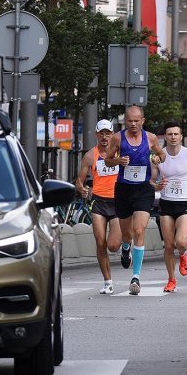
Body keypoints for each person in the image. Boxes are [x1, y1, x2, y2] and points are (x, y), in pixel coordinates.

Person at [103, 105, 167, 295]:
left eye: (136, 121)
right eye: (130, 121)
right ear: (126, 121)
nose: (133, 124)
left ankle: (136, 277)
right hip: (123, 189)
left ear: (142, 121)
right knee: (127, 233)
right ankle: (125, 247)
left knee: (139, 229)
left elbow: (162, 155)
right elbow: (107, 160)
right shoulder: (118, 138)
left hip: (143, 189)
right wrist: (117, 161)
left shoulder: (151, 138)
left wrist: (157, 159)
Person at [153, 121, 187, 293]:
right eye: (170, 134)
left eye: (176, 134)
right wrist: (157, 186)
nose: (173, 137)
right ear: (165, 137)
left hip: (184, 203)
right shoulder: (159, 157)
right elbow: (151, 181)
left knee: (181, 242)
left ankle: (183, 254)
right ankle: (171, 279)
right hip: (166, 203)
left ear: (181, 136)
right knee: (169, 245)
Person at [75, 119, 122, 295]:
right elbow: (79, 180)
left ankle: (126, 245)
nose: (104, 137)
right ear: (96, 135)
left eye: (108, 133)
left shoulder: (120, 153)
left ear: (112, 135)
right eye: (101, 133)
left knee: (113, 245)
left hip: (117, 201)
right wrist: (82, 189)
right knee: (100, 242)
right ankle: (108, 282)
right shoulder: (90, 156)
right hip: (99, 202)